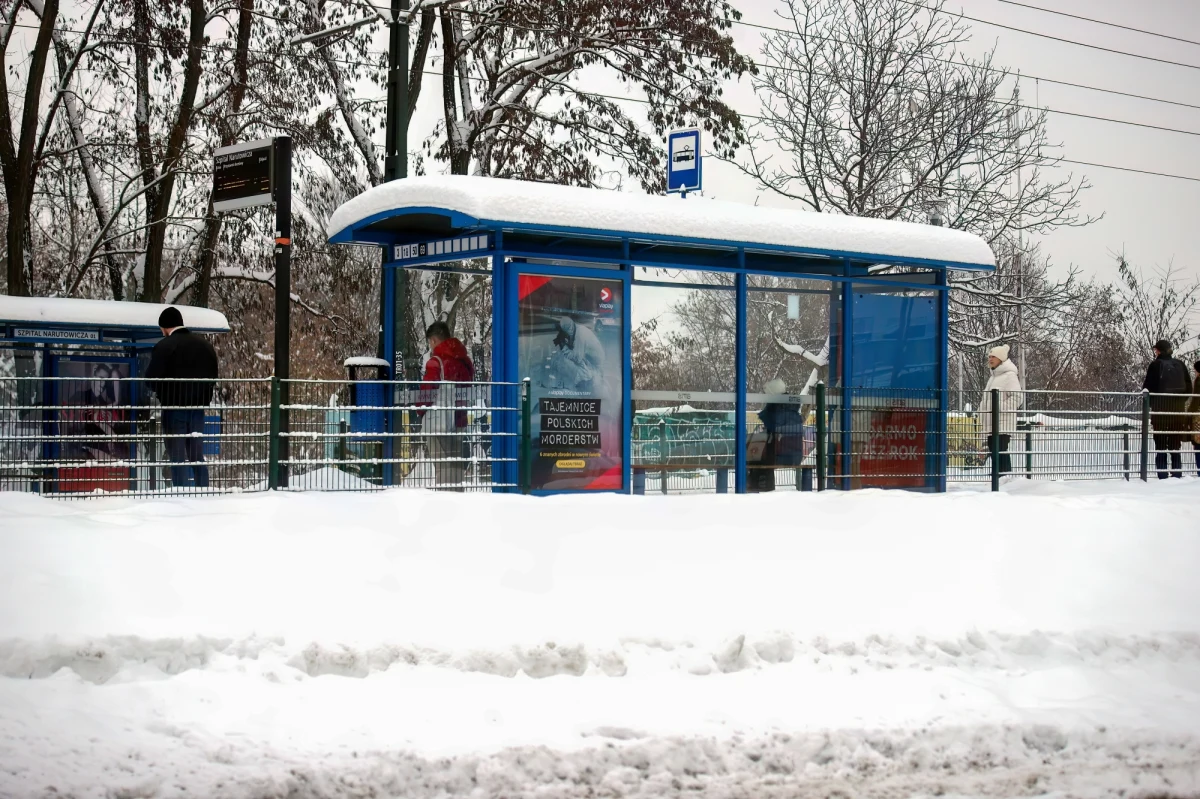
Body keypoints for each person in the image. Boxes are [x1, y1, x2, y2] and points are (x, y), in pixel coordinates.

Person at [145, 306, 219, 488]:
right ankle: (203, 491)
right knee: (196, 455)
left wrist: (161, 390)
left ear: (164, 327)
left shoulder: (165, 346)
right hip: (197, 409)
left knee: (177, 456)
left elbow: (150, 379)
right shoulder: (205, 346)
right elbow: (213, 377)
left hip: (173, 408)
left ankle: (181, 494)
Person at [419, 320, 474, 489]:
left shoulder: (436, 362)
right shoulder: (465, 361)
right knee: (455, 469)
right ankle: (457, 501)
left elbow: (426, 394)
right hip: (459, 421)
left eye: (430, 342)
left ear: (434, 340)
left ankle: (444, 506)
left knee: (443, 467)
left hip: (439, 422)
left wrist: (420, 410)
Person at [1142, 339, 1191, 479]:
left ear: (1158, 350)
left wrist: (1154, 404)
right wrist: (1179, 403)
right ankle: (1177, 474)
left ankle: (1162, 475)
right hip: (1178, 412)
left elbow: (1148, 387)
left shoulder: (1155, 365)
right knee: (1176, 445)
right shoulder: (1180, 365)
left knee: (1161, 445)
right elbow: (1188, 388)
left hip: (1160, 413)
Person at [751, 377, 804, 493]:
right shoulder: (791, 411)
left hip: (782, 454)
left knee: (753, 460)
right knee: (758, 459)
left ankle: (758, 490)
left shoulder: (776, 412)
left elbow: (772, 426)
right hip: (792, 452)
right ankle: (764, 488)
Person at [978, 344, 1022, 477]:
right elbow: (987, 399)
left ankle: (1004, 478)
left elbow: (1018, 398)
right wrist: (980, 413)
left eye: (993, 357)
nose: (990, 359)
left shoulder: (1009, 376)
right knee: (993, 452)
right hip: (991, 423)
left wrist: (999, 408)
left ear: (1001, 359)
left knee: (1000, 451)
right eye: (989, 357)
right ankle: (998, 478)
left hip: (1002, 423)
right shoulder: (993, 377)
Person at [550, 317, 605, 393]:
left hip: (594, 364)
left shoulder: (580, 334)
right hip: (591, 363)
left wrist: (564, 348)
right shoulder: (576, 329)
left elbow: (578, 358)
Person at [1189, 361, 1200, 478]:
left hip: (1198, 416)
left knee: (1198, 443)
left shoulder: (1198, 381)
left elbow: (1196, 399)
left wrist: (1189, 412)